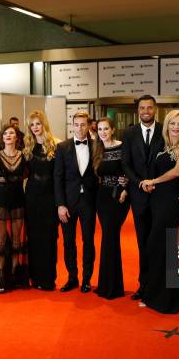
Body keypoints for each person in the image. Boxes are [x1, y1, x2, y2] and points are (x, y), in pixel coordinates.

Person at [140, 109, 179, 314]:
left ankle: (168, 299)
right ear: (167, 125)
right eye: (172, 123)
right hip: (156, 200)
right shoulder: (162, 145)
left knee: (163, 245)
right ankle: (156, 294)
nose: (176, 127)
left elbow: (177, 172)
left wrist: (153, 181)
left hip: (171, 202)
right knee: (157, 246)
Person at [121, 95, 165, 300]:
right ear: (137, 111)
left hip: (160, 195)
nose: (146, 111)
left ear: (155, 109)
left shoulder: (165, 130)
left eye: (149, 107)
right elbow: (126, 164)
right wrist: (140, 183)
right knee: (142, 243)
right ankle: (143, 284)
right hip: (138, 196)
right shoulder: (129, 133)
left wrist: (155, 181)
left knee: (159, 242)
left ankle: (158, 285)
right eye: (142, 108)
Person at [54, 111, 98, 293]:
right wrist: (60, 204)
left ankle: (86, 279)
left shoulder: (97, 146)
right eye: (77, 125)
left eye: (83, 124)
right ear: (72, 126)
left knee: (88, 241)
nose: (80, 128)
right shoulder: (62, 147)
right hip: (68, 203)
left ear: (88, 126)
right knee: (68, 242)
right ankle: (72, 278)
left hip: (89, 201)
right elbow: (58, 177)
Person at [0, 124, 28, 292]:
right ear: (2, 137)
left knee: (17, 239)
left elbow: (27, 177)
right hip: (0, 198)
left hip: (18, 196)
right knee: (0, 240)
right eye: (5, 133)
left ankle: (13, 274)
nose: (8, 135)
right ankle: (1, 278)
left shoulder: (24, 155)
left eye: (12, 133)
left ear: (17, 137)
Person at [92, 117, 129, 299]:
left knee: (110, 236)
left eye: (106, 129)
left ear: (113, 129)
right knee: (108, 237)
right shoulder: (97, 148)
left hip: (118, 197)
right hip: (102, 197)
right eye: (100, 129)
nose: (103, 132)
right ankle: (109, 284)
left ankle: (112, 286)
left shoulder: (123, 147)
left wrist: (125, 188)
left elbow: (130, 170)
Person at [23, 110, 58, 291]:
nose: (35, 128)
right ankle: (35, 278)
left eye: (38, 124)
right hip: (32, 198)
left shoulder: (56, 145)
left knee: (50, 239)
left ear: (44, 124)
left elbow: (59, 176)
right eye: (32, 125)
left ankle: (48, 279)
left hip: (50, 198)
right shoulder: (27, 147)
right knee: (34, 239)